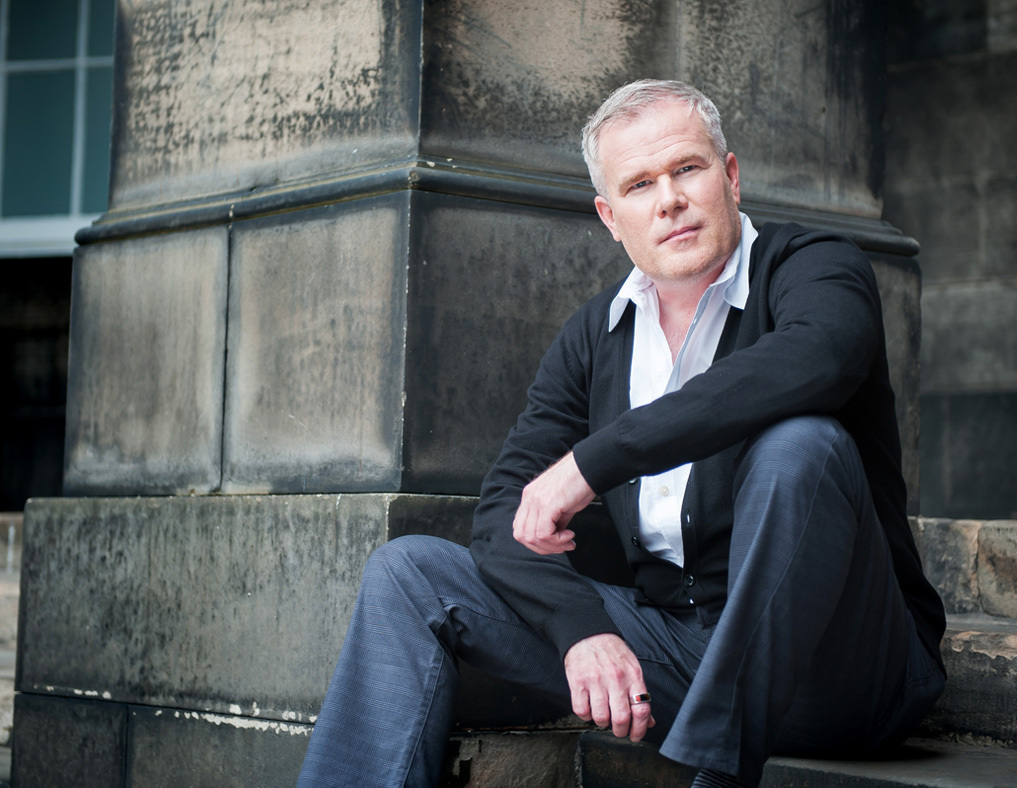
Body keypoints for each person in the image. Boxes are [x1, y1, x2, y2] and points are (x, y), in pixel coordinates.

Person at [296, 79, 946, 788]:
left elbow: (816, 359)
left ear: (729, 176)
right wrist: (582, 629)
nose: (667, 199)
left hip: (847, 667)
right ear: (611, 216)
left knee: (801, 447)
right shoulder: (597, 335)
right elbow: (502, 515)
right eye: (639, 185)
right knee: (410, 573)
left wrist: (592, 463)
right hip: (676, 652)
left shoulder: (814, 267)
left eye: (687, 169)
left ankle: (715, 771)